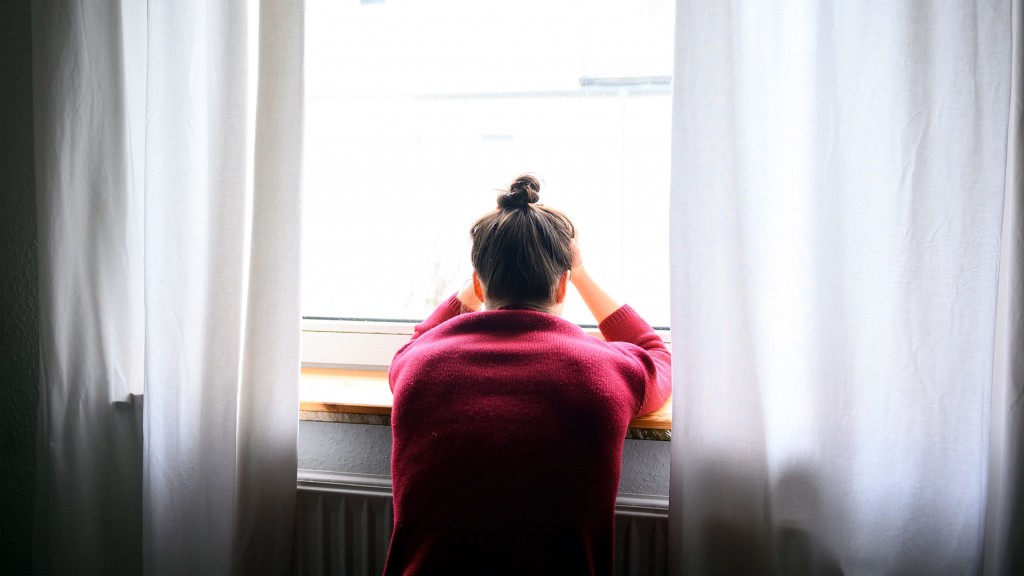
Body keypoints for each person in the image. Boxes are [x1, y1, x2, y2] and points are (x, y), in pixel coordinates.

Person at [382, 174, 672, 575]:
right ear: (562, 288)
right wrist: (581, 273)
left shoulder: (419, 364)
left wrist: (476, 283)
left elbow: (418, 339)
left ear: (479, 287)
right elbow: (657, 354)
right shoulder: (608, 371)